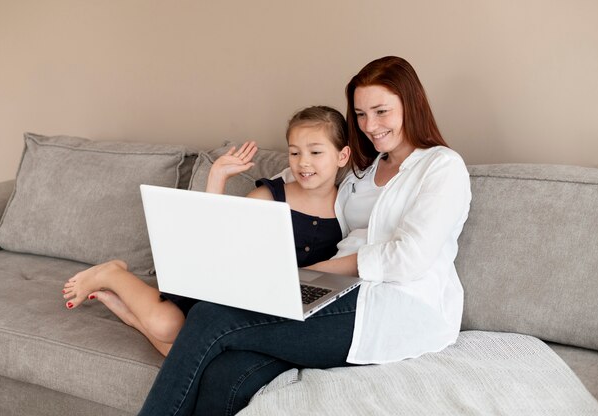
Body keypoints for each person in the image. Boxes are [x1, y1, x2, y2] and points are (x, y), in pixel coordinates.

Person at [137, 56, 472, 416]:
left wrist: (320, 270)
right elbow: (305, 177)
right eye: (360, 114)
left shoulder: (442, 166)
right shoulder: (363, 171)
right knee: (226, 374)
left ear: (410, 104)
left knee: (209, 318)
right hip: (331, 289)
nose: (370, 126)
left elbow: (408, 258)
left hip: (390, 306)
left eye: (381, 111)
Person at [60, 105, 351, 357]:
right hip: (226, 288)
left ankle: (134, 319)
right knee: (168, 327)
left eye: (315, 152)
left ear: (342, 156)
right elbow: (217, 240)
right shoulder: (270, 195)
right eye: (295, 153)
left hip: (276, 303)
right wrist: (217, 177)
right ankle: (111, 273)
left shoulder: (348, 207)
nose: (303, 162)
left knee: (180, 351)